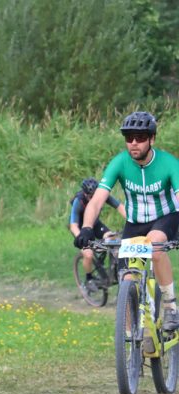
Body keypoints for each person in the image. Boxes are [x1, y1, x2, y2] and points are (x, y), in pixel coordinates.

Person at [76, 111, 179, 331]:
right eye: (129, 137)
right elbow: (97, 201)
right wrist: (86, 228)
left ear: (152, 139)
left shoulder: (169, 163)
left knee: (154, 247)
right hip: (135, 224)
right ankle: (132, 338)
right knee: (127, 278)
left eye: (140, 138)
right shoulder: (120, 162)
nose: (133, 143)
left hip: (165, 218)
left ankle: (170, 306)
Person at [68, 177, 125, 287]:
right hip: (80, 228)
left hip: (95, 224)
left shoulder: (102, 195)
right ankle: (89, 279)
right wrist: (81, 238)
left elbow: (120, 207)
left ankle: (114, 271)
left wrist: (133, 221)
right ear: (85, 194)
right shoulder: (78, 201)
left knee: (113, 239)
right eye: (90, 196)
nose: (93, 199)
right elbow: (73, 225)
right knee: (88, 254)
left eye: (95, 195)